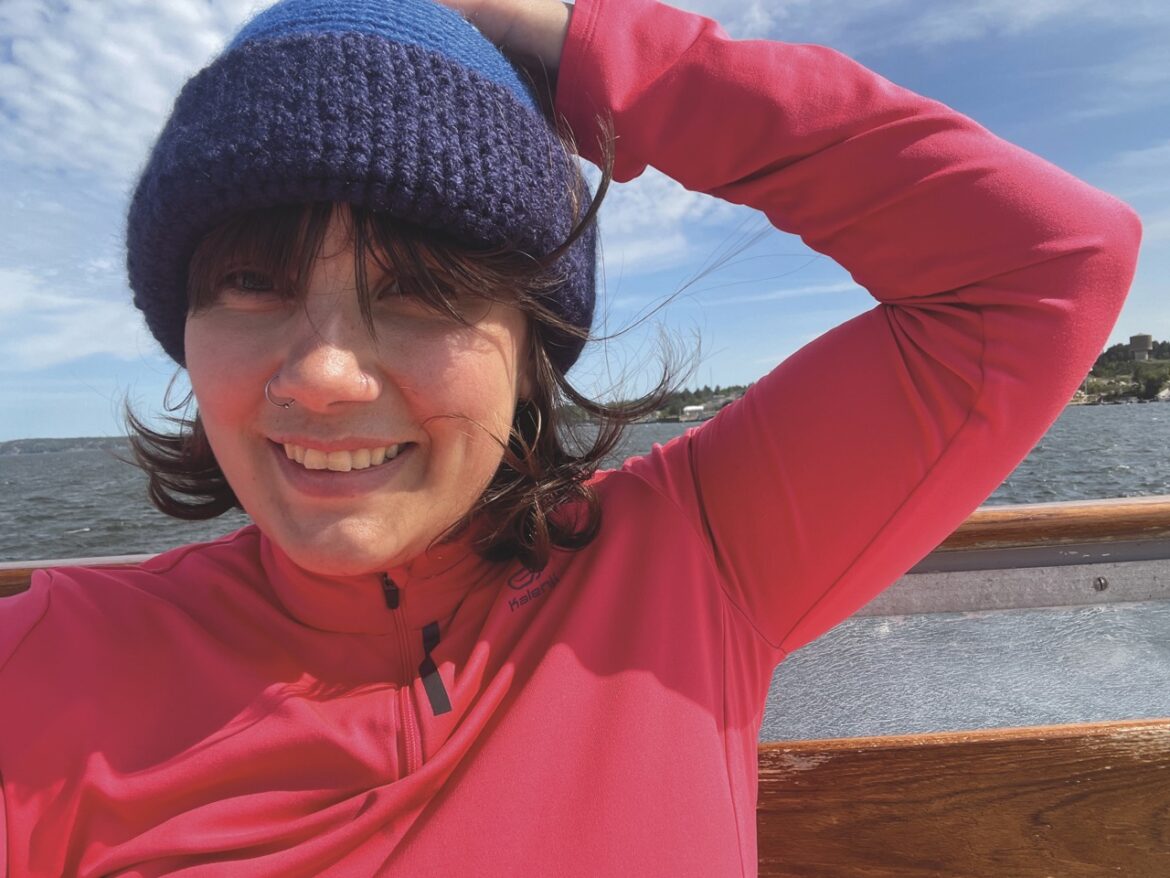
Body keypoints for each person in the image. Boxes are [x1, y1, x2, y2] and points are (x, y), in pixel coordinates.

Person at [0, 0, 1141, 874]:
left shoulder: (695, 555)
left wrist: (589, 47)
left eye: (423, 290)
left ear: (531, 336)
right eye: (250, 283)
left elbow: (1045, 262)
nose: (324, 374)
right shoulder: (41, 671)